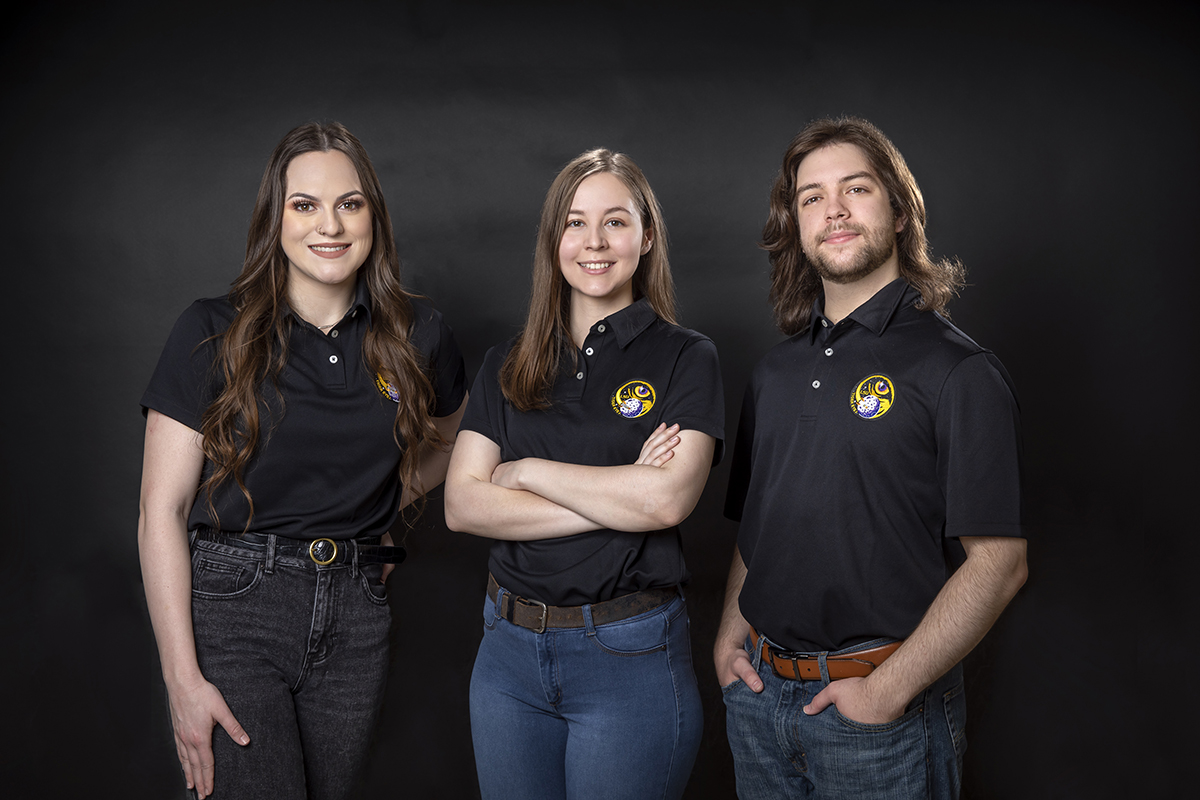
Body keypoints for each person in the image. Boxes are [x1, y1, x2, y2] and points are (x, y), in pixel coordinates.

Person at [137, 122, 468, 799]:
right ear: (275, 219)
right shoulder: (211, 331)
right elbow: (158, 512)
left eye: (350, 203)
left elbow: (455, 443)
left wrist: (381, 503)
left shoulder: (418, 333)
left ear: (373, 215)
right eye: (305, 204)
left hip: (356, 608)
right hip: (236, 605)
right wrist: (181, 681)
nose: (331, 225)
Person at [715, 116, 1028, 799]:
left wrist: (885, 692)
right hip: (761, 702)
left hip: (881, 719)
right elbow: (758, 526)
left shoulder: (958, 370)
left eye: (854, 188)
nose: (834, 210)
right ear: (795, 225)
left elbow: (1000, 565)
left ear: (897, 208)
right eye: (811, 197)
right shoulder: (773, 374)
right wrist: (728, 640)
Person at [444, 149, 723, 800]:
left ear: (646, 235)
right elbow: (462, 505)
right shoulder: (506, 365)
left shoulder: (687, 357)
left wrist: (526, 471)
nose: (594, 242)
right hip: (507, 658)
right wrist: (618, 491)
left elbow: (667, 500)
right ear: (554, 239)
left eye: (615, 222)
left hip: (628, 657)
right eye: (574, 223)